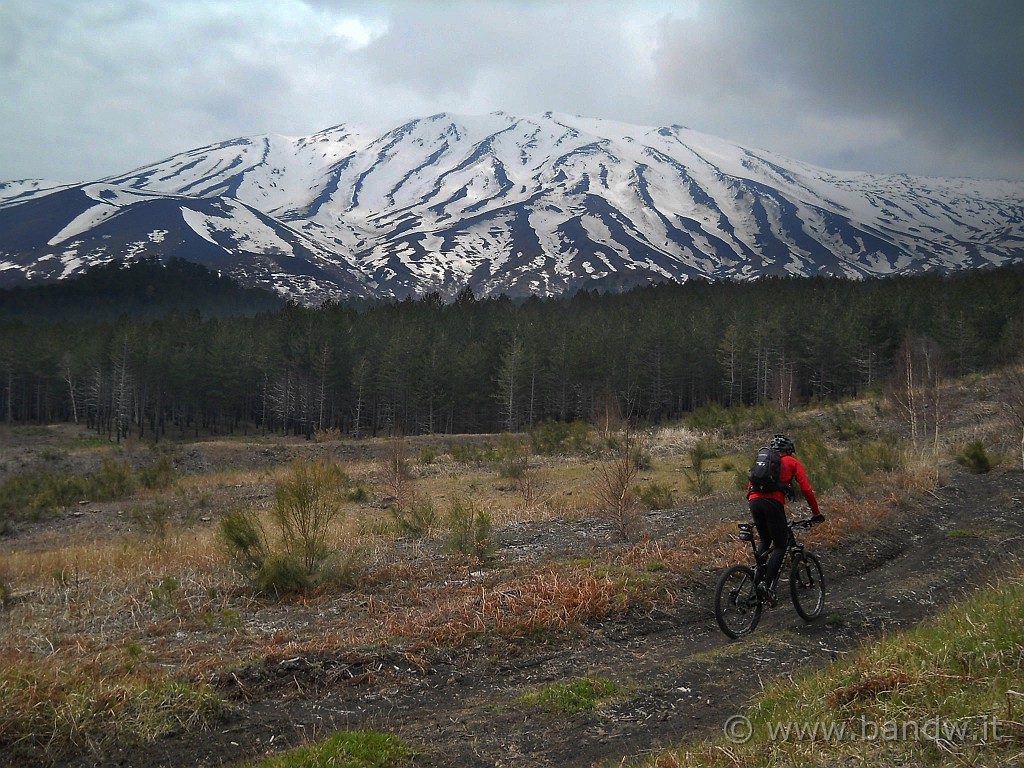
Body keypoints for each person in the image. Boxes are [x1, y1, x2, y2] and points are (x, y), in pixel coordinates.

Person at [747, 433, 824, 606]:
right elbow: (806, 489)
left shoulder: (763, 461)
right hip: (772, 503)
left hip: (754, 501)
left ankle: (755, 585)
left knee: (765, 540)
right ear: (788, 450)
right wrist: (816, 513)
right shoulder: (792, 462)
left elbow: (750, 483)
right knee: (781, 544)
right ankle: (765, 586)